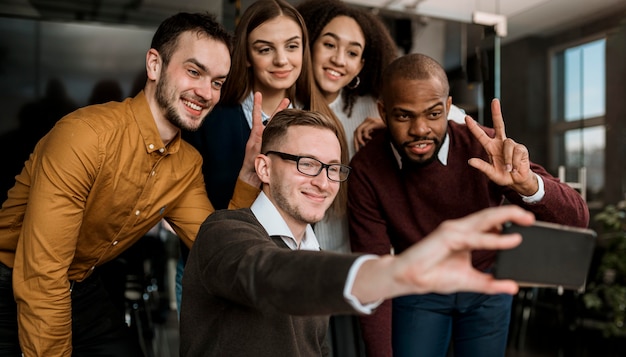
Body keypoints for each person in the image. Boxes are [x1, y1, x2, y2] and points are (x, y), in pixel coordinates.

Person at [0, 12, 263, 356]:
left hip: (81, 283)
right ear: (154, 65)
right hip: (12, 278)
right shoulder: (85, 137)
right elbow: (42, 275)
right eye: (194, 71)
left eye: (217, 82)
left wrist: (247, 178)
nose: (206, 92)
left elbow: (216, 248)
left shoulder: (185, 164)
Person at [179, 108, 537, 356]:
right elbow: (267, 273)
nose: (323, 182)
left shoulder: (313, 253)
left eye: (334, 169)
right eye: (306, 164)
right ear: (264, 168)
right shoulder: (222, 231)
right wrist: (395, 272)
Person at [347, 53, 590, 357]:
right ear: (383, 112)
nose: (420, 129)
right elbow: (374, 271)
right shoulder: (366, 169)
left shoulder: (487, 147)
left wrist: (526, 185)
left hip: (485, 287)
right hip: (417, 286)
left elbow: (578, 219)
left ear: (448, 108)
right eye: (404, 116)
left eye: (433, 113)